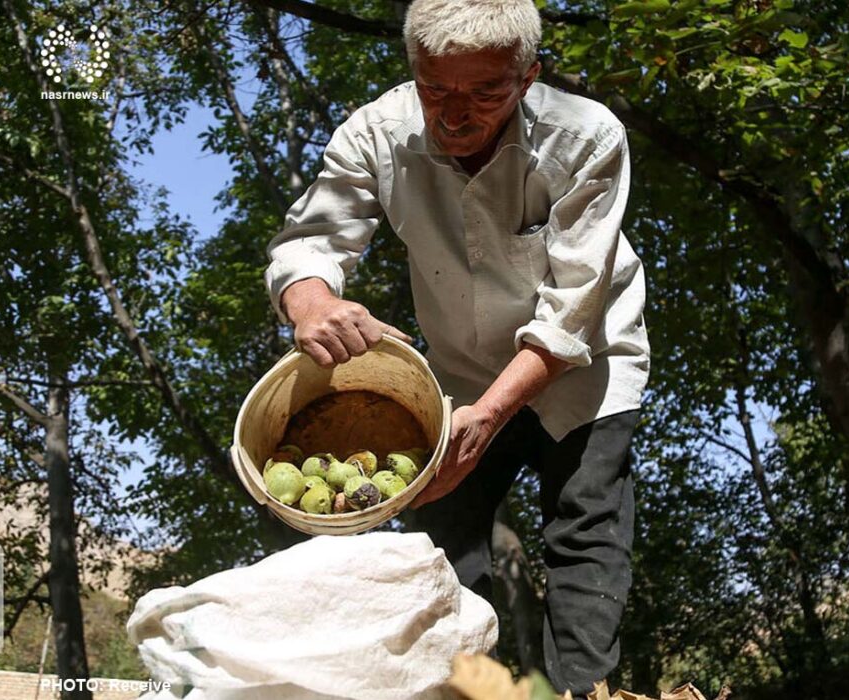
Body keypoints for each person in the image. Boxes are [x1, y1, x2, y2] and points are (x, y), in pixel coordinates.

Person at [263, 0, 649, 692]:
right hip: (460, 375)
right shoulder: (377, 133)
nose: (455, 112)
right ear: (414, 70)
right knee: (440, 541)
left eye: (485, 91)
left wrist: (494, 415)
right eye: (435, 88)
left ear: (528, 78)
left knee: (585, 535)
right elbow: (311, 242)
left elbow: (572, 313)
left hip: (590, 365)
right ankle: (470, 688)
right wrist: (312, 300)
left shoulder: (588, 137)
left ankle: (584, 694)